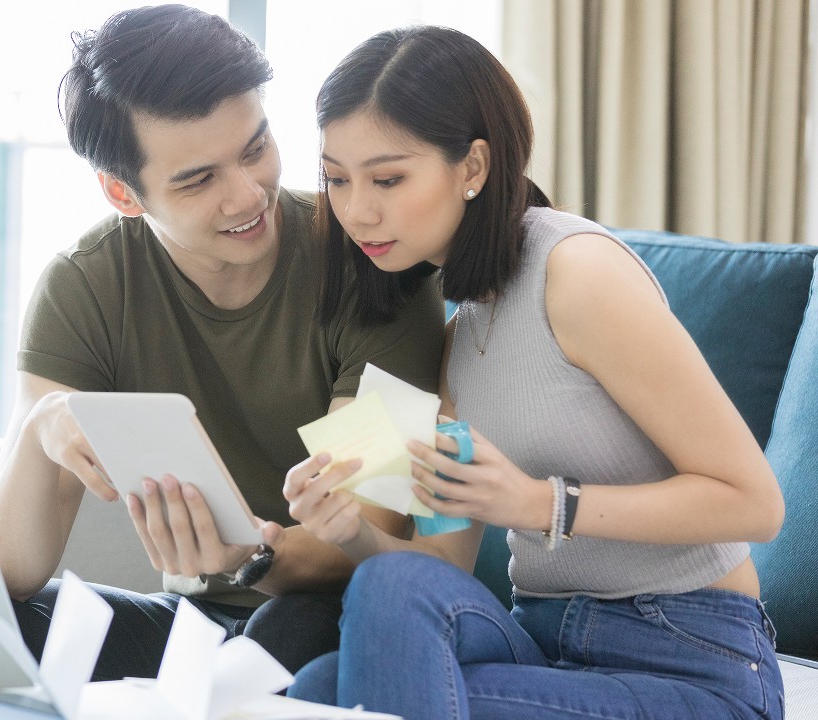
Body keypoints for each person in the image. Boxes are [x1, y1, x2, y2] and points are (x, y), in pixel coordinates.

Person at [283, 25, 786, 720]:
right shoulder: (457, 337)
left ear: (473, 168)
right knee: (339, 656)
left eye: (388, 178)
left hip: (690, 655)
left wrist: (535, 504)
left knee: (339, 693)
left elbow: (755, 504)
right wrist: (345, 530)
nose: (356, 210)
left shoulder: (577, 273)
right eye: (336, 179)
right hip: (544, 641)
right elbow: (437, 569)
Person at [0, 5, 445, 681]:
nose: (248, 195)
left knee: (288, 628)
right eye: (199, 180)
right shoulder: (86, 288)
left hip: (336, 613)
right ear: (122, 192)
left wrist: (245, 558)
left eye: (255, 148)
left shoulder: (373, 266)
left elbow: (370, 531)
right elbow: (10, 571)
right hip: (193, 630)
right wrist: (42, 427)